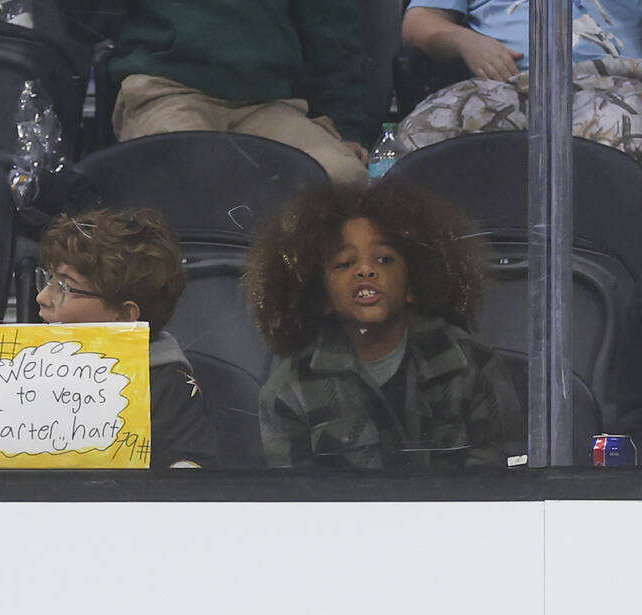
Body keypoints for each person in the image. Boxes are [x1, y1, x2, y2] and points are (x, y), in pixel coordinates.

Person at [245, 180, 525, 469]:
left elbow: (502, 497)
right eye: (344, 263)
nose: (365, 270)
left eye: (384, 259)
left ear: (413, 284)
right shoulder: (289, 390)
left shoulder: (473, 368)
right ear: (321, 296)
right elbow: (294, 506)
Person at [52, 0, 369, 186]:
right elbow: (87, 21)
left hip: (267, 101)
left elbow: (333, 33)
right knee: (187, 182)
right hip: (165, 90)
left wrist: (345, 126)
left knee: (341, 178)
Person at [36, 207, 220, 468]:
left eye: (64, 287)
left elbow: (189, 475)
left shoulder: (169, 388)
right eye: (48, 279)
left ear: (123, 316)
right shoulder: (21, 372)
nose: (42, 297)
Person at [399, 1, 642, 162]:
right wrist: (465, 41)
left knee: (623, 134)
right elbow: (418, 21)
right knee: (424, 136)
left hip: (613, 79)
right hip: (504, 82)